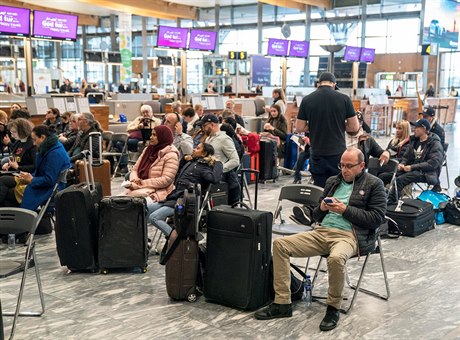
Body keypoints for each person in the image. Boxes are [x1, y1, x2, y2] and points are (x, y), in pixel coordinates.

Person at [255, 148, 386, 332]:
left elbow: (377, 218)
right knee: (280, 245)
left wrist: (345, 210)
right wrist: (322, 208)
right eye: (342, 165)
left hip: (349, 235)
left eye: (349, 166)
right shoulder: (333, 182)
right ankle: (282, 302)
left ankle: (333, 308)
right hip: (322, 231)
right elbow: (316, 216)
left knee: (335, 258)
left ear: (362, 166)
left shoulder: (374, 184)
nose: (344, 170)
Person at [296, 72, 359, 187]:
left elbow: (299, 127)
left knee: (320, 189)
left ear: (318, 84)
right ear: (334, 84)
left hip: (317, 153)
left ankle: (321, 204)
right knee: (338, 187)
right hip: (337, 153)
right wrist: (338, 124)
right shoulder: (344, 99)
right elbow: (354, 127)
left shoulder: (307, 100)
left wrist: (316, 124)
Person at [147, 143, 223, 236]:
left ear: (204, 153)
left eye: (198, 148)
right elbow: (177, 173)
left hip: (184, 202)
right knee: (144, 209)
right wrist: (183, 160)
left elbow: (213, 178)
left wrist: (219, 164)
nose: (194, 149)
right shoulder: (192, 163)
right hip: (173, 197)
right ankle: (144, 242)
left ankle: (176, 240)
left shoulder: (204, 167)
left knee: (154, 218)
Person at [381, 119, 444, 200]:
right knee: (383, 176)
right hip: (412, 170)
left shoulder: (435, 143)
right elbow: (406, 157)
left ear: (424, 129)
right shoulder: (414, 141)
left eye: (416, 127)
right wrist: (403, 163)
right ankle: (380, 198)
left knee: (400, 180)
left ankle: (391, 202)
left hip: (427, 173)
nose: (414, 129)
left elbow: (433, 163)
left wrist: (412, 167)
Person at [19, 125, 71, 212]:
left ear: (43, 137)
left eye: (35, 140)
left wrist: (32, 180)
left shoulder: (55, 154)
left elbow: (49, 180)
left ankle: (23, 220)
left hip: (49, 189)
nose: (34, 143)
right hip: (47, 185)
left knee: (9, 193)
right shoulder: (52, 147)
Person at [125, 125, 179, 203]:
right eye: (151, 134)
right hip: (140, 188)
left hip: (159, 191)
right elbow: (135, 170)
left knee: (133, 205)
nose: (150, 137)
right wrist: (134, 180)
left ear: (162, 137)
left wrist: (140, 184)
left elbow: (165, 180)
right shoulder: (148, 149)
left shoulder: (171, 155)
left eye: (154, 135)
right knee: (117, 202)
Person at [201, 114, 240, 205]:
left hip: (224, 181)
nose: (203, 128)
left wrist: (219, 170)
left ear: (212, 125)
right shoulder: (208, 139)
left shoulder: (224, 139)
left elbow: (235, 160)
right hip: (211, 179)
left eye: (204, 126)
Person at [0, 119, 37, 207]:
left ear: (22, 131)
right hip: (18, 173)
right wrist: (9, 164)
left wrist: (17, 167)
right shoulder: (18, 142)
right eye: (11, 132)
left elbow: (35, 166)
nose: (12, 135)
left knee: (2, 182)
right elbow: (16, 158)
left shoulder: (33, 144)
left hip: (28, 175)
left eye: (14, 132)